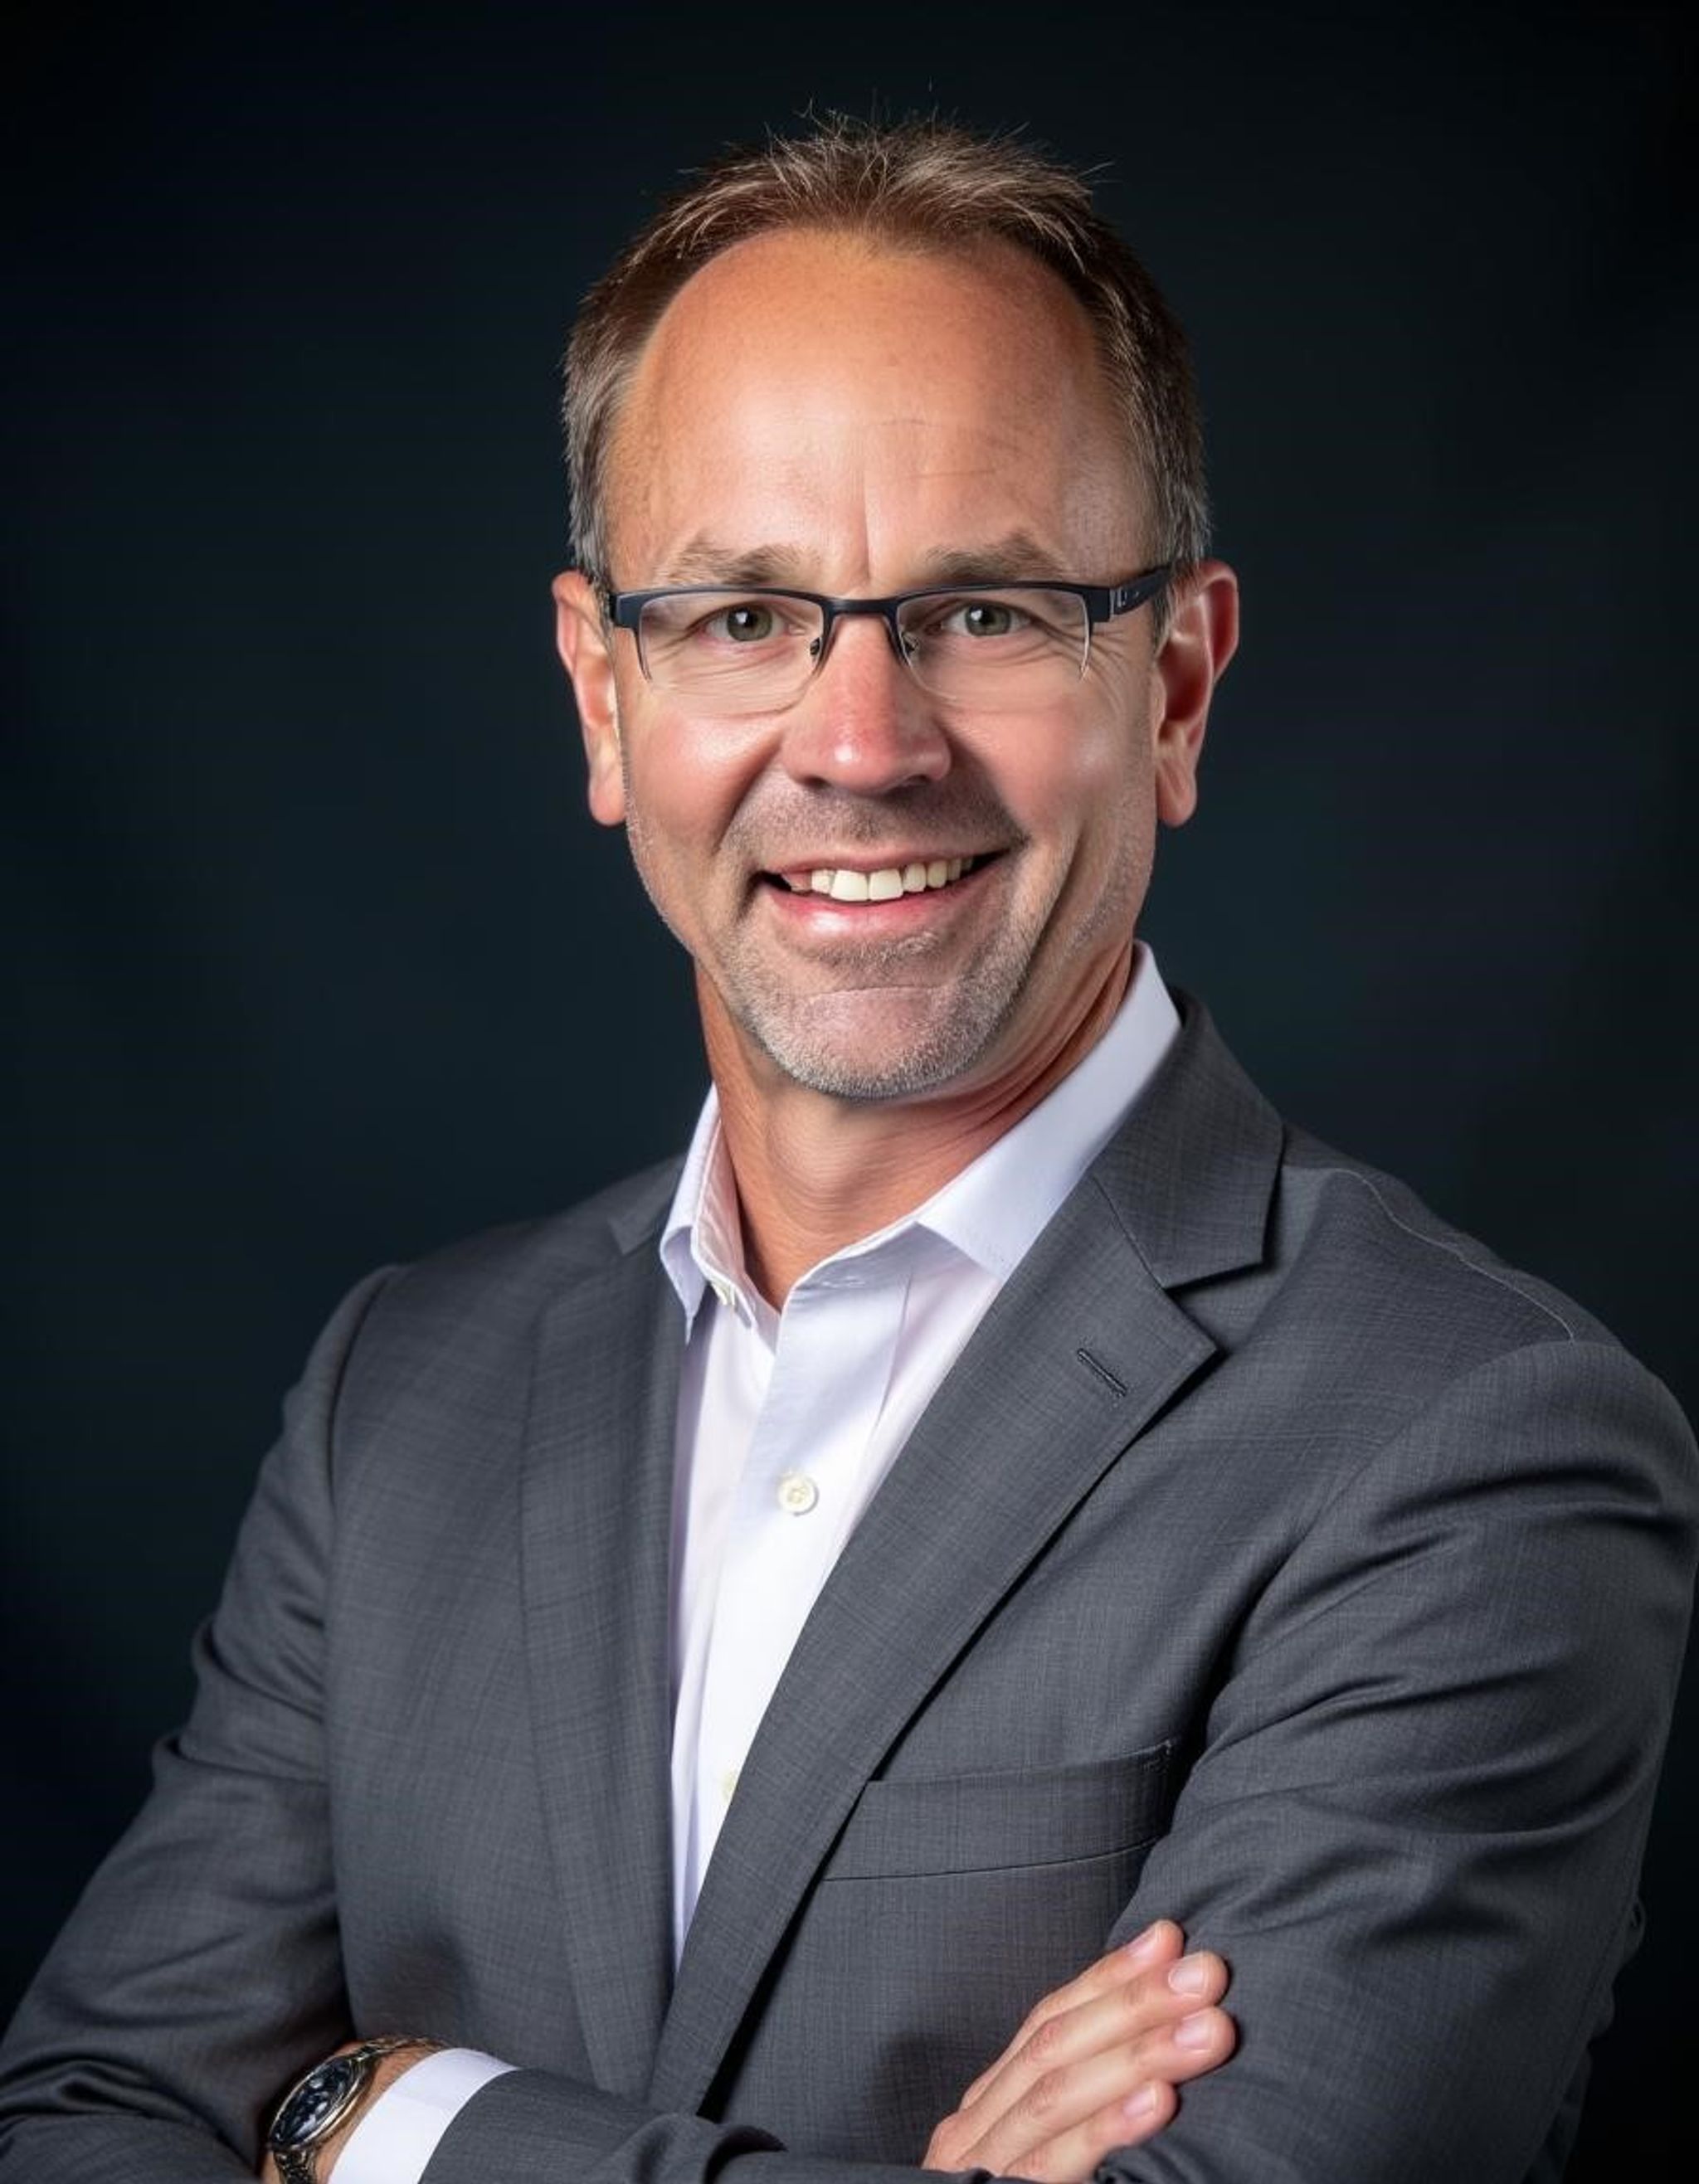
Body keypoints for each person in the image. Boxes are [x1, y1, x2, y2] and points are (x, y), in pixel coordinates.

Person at [1, 114, 1694, 2184]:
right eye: (740, 617)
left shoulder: (1468, 1443)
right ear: (603, 697)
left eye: (984, 610)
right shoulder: (402, 1394)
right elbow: (89, 2118)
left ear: (1173, 684)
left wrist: (383, 2115)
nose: (864, 744)